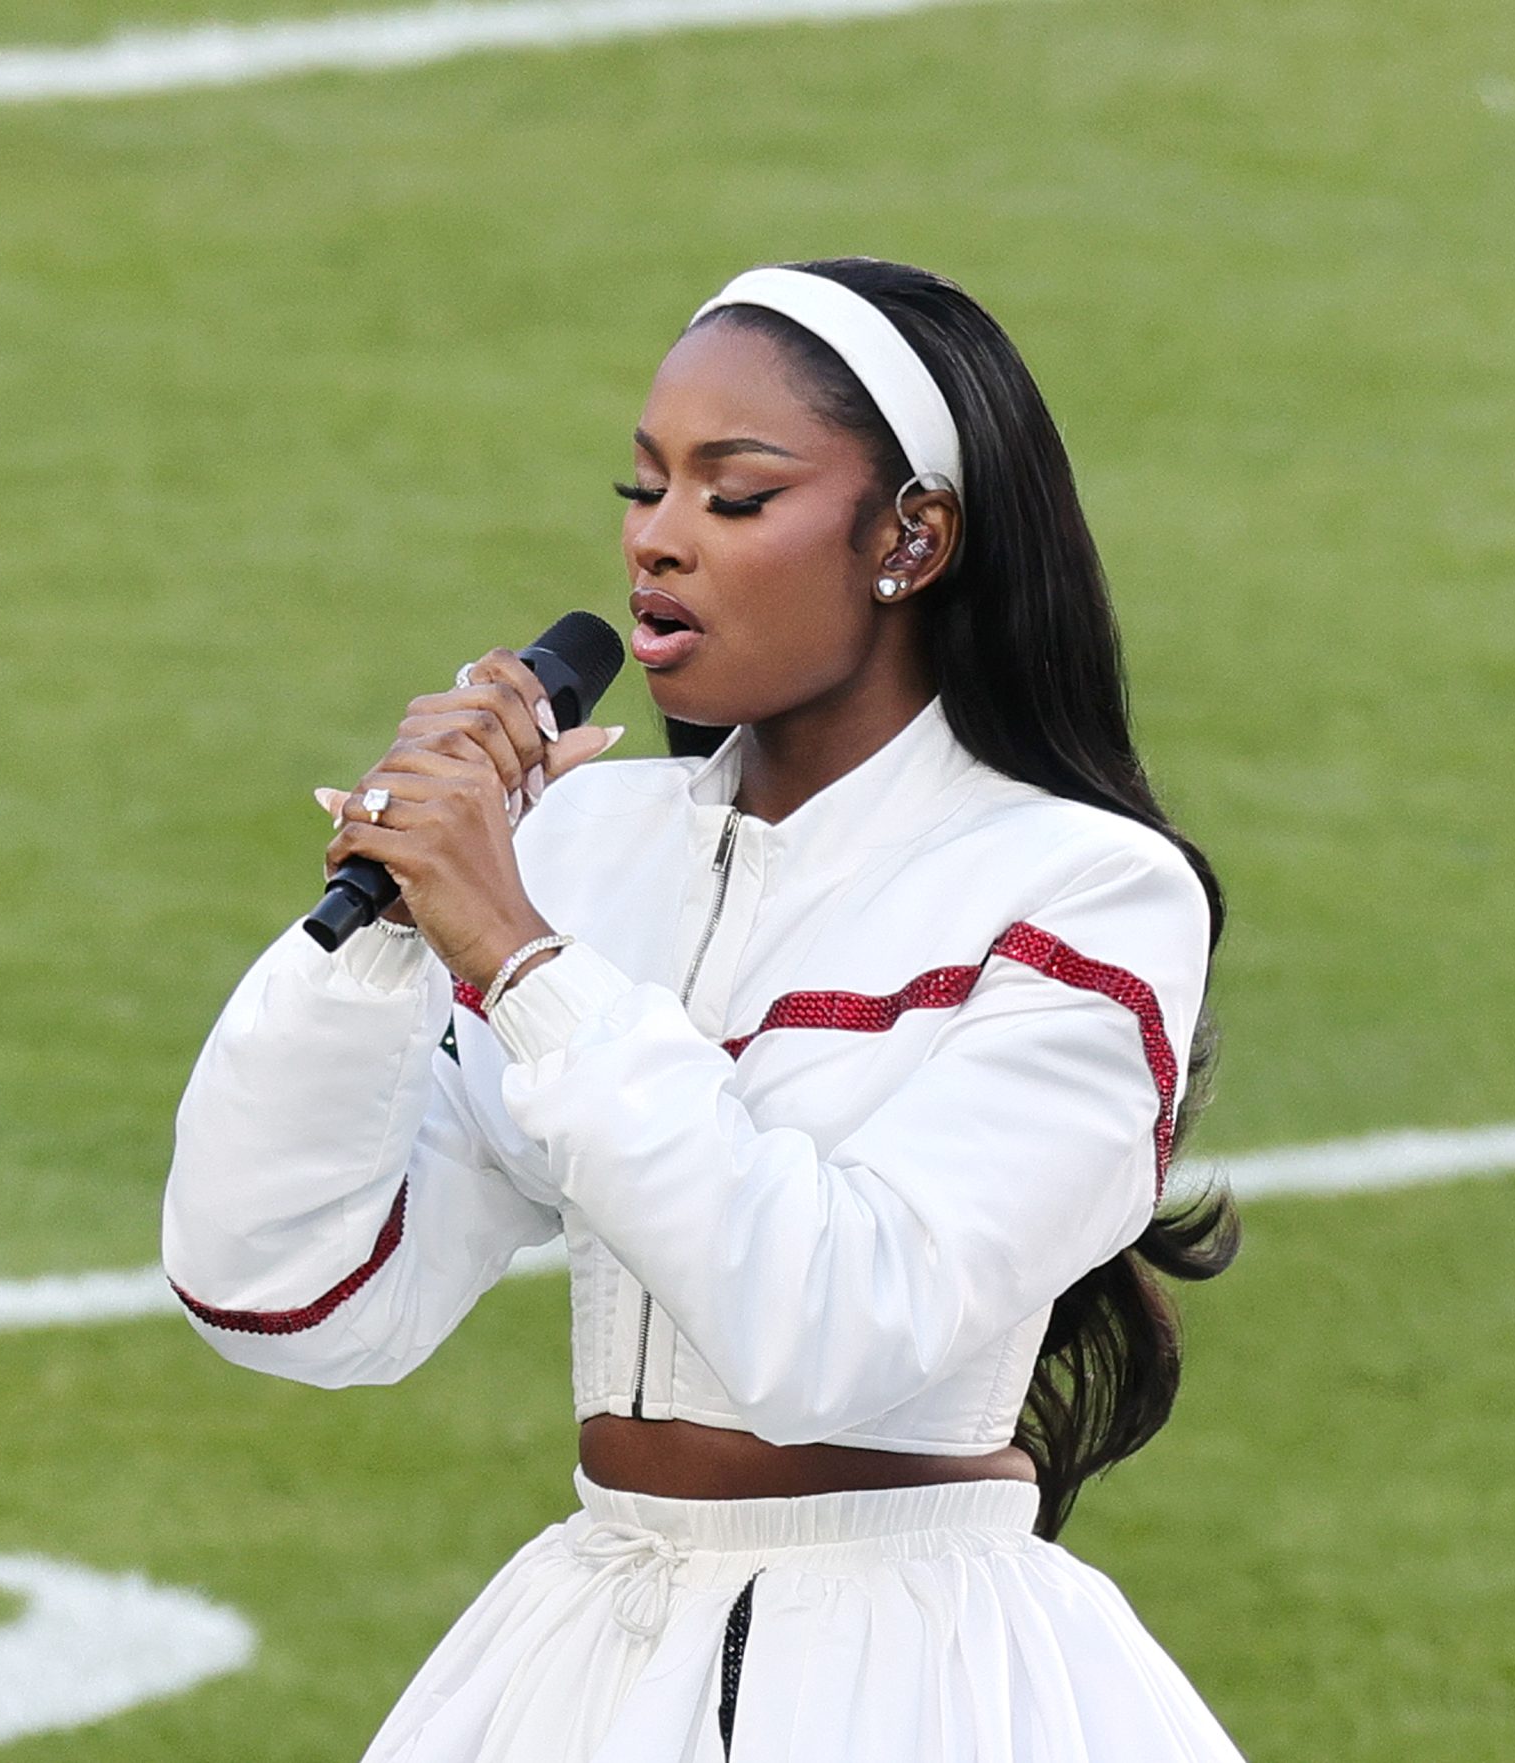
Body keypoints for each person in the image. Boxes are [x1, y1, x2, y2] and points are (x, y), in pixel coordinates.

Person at [160, 257, 1248, 1761]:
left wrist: (526, 963)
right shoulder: (592, 851)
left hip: (915, 1675)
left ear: (911, 538)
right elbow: (288, 1292)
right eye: (643, 487)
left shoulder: (1087, 890)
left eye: (734, 499)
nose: (658, 543)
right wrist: (388, 944)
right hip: (593, 1653)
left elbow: (838, 1328)